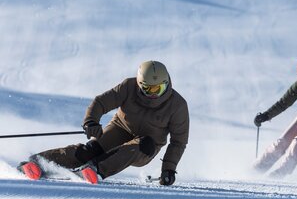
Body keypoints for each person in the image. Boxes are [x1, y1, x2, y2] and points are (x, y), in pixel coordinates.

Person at [18, 61, 190, 185]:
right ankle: (37, 163)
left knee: (143, 144)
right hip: (120, 128)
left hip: (145, 146)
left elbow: (178, 142)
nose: (154, 94)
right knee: (90, 150)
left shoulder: (177, 105)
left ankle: (96, 170)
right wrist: (91, 121)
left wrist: (168, 169)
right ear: (140, 84)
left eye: (159, 88)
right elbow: (101, 102)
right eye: (149, 89)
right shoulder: (128, 87)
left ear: (166, 82)